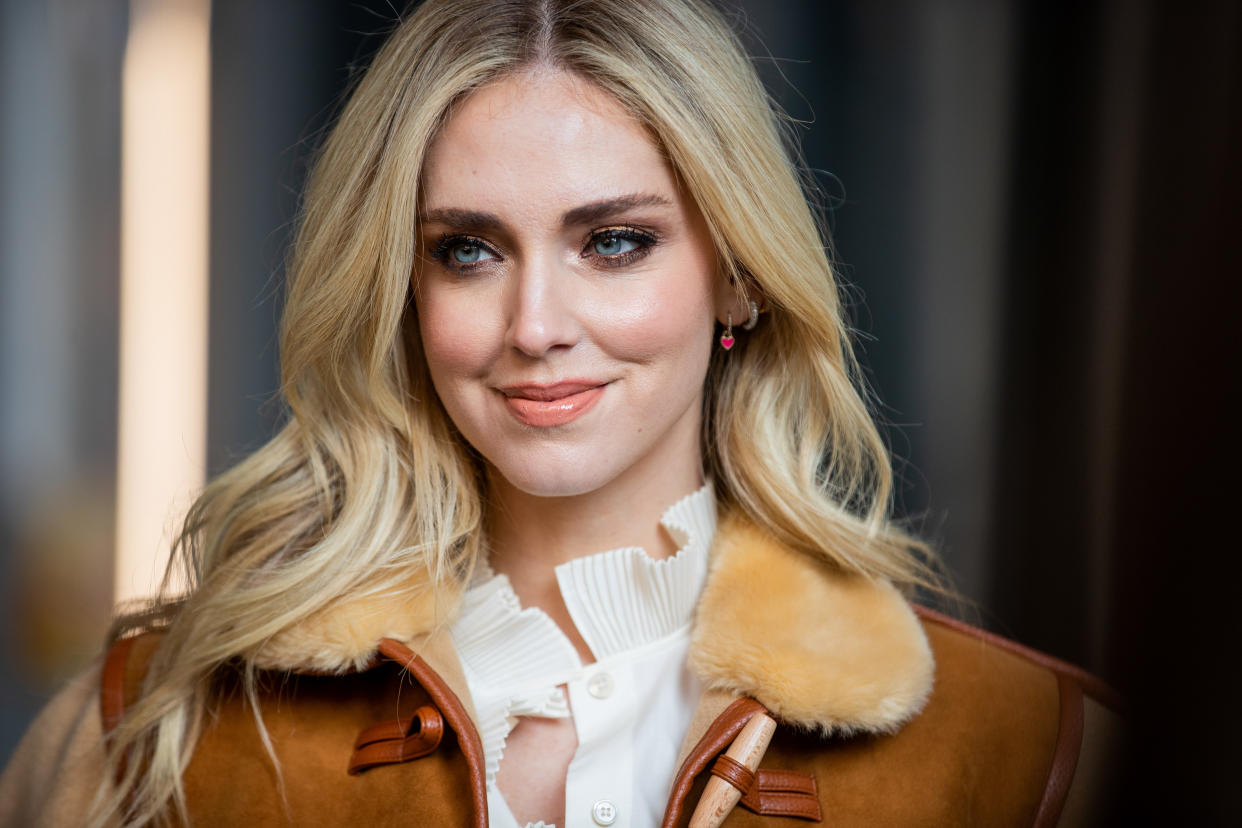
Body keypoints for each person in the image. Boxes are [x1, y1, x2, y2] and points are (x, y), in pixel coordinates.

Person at [0, 0, 1121, 825]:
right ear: (403, 288)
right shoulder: (157, 731)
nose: (535, 322)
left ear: (736, 273)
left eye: (615, 242)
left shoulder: (1027, 754)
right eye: (470, 250)